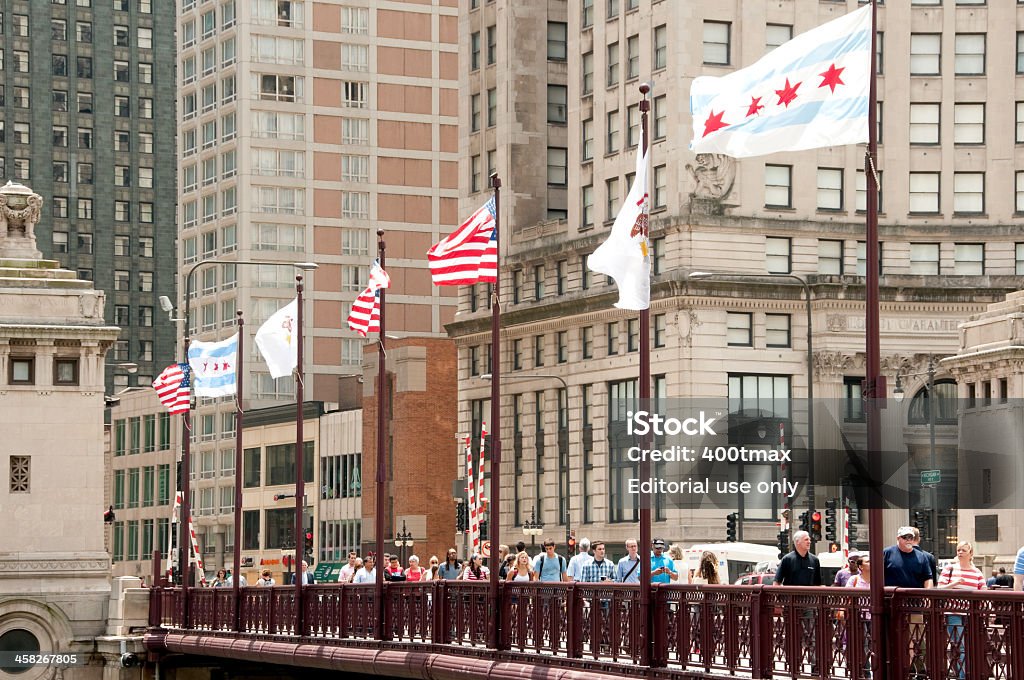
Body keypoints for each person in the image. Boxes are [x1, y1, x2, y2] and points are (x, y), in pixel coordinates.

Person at [884, 527, 933, 678]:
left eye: (910, 537)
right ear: (898, 538)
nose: (908, 540)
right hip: (892, 605)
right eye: (905, 537)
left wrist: (927, 594)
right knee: (892, 637)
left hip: (915, 605)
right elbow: (878, 576)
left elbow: (928, 577)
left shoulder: (921, 557)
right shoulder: (887, 553)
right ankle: (893, 669)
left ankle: (918, 670)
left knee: (917, 637)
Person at [937, 541, 984, 680]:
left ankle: (971, 673)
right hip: (953, 614)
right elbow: (939, 589)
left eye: (963, 550)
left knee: (972, 646)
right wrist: (955, 583)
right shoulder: (949, 569)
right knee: (960, 646)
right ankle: (963, 676)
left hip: (972, 615)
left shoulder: (977, 572)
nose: (960, 552)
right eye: (958, 550)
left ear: (971, 554)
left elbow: (984, 591)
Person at [846, 554, 873, 679]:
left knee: (875, 645)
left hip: (874, 617)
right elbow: (846, 597)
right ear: (861, 566)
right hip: (859, 618)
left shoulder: (878, 580)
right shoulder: (854, 580)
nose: (871, 563)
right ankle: (865, 672)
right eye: (868, 561)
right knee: (863, 646)